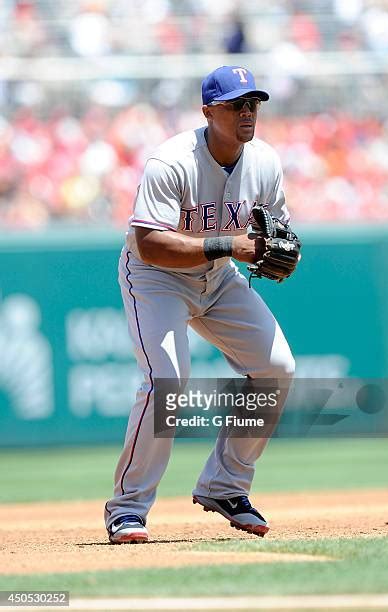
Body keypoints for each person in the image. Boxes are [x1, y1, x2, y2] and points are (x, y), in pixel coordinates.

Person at [104, 65, 296, 544]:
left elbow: (277, 231)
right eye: (236, 105)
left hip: (217, 278)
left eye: (253, 103)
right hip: (156, 278)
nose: (247, 112)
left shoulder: (266, 162)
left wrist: (283, 251)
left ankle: (226, 485)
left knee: (276, 367)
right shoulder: (172, 161)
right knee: (167, 380)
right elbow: (150, 244)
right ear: (209, 111)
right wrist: (231, 246)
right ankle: (127, 508)